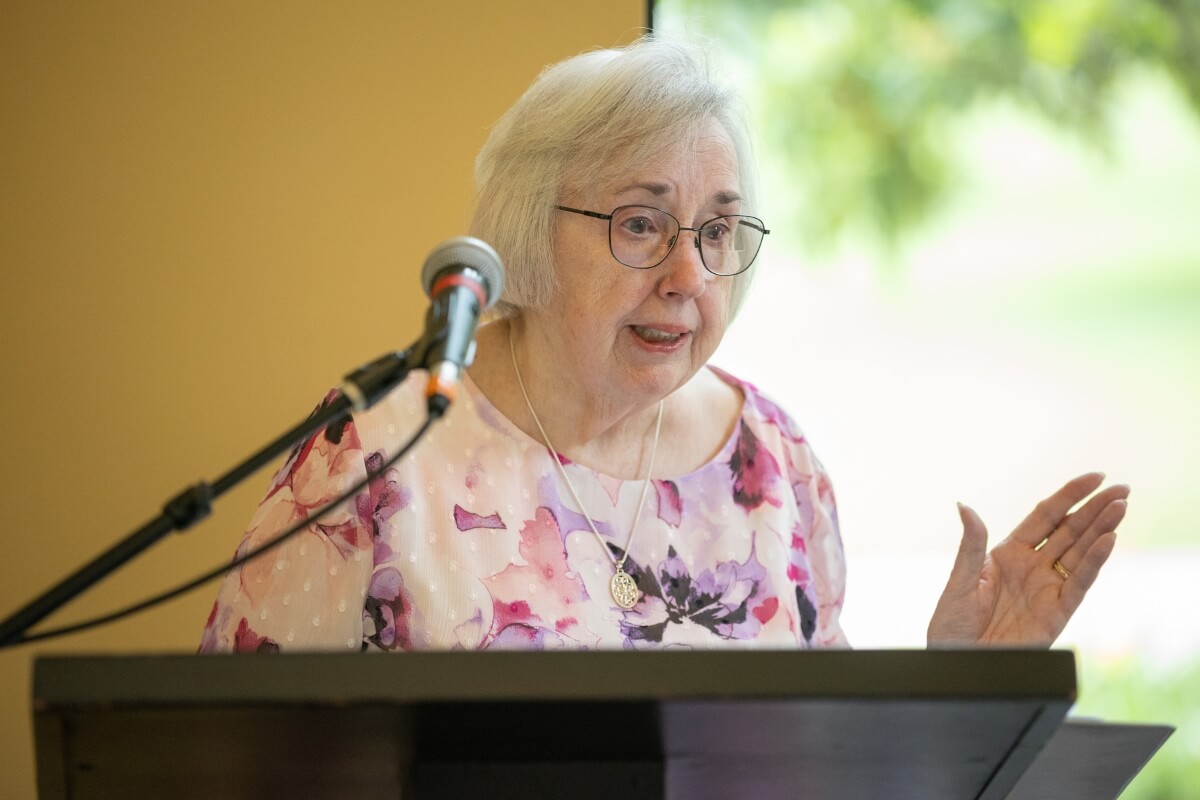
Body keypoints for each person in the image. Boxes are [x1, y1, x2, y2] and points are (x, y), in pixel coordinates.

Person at [199, 37, 1127, 654]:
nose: (689, 275)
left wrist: (953, 694)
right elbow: (234, 762)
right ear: (529, 228)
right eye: (642, 225)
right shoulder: (373, 455)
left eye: (717, 231)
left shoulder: (775, 463)